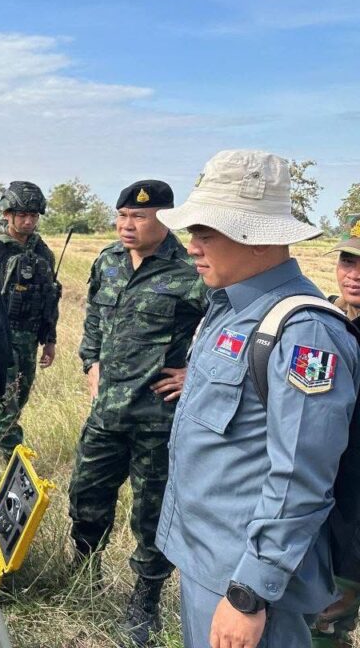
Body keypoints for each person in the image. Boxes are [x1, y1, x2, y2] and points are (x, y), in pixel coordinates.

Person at [155, 150, 360, 648]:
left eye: (207, 233)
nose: (192, 247)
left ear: (259, 237)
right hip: (207, 561)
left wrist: (250, 592)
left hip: (248, 584)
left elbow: (300, 478)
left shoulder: (304, 332)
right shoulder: (228, 308)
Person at [68, 179, 207, 646]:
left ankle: (145, 600)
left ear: (163, 219)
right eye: (122, 215)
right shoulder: (107, 260)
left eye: (139, 217)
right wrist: (90, 362)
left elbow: (228, 328)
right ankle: (84, 570)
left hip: (157, 419)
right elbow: (94, 318)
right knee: (86, 496)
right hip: (105, 412)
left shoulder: (189, 269)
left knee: (152, 514)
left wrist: (195, 374)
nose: (127, 225)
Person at [0, 180, 60, 458]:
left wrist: (49, 340)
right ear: (7, 214)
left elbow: (50, 297)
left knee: (18, 397)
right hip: (1, 336)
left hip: (29, 338)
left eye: (33, 216)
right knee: (7, 399)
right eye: (22, 215)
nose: (28, 221)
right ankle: (15, 460)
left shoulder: (43, 252)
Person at [312, 215, 360, 648]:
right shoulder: (323, 320)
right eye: (348, 260)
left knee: (333, 609)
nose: (355, 274)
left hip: (355, 504)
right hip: (318, 493)